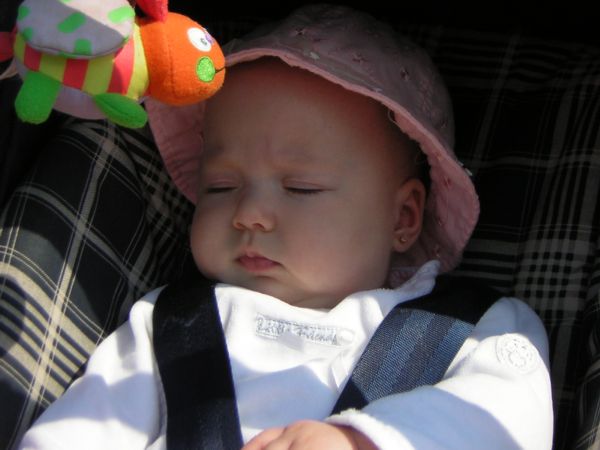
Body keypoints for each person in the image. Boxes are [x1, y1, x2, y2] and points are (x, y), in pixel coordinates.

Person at [18, 4, 553, 449]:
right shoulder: (168, 324)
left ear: (404, 217)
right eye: (220, 186)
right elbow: (83, 429)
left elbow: (506, 419)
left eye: (300, 188)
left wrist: (363, 441)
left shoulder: (472, 329)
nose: (249, 212)